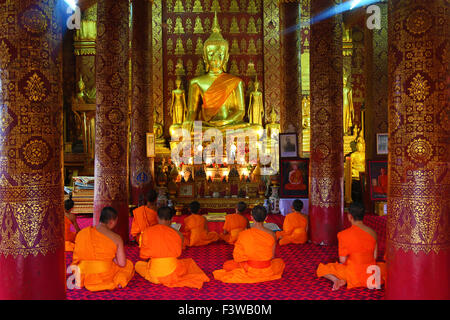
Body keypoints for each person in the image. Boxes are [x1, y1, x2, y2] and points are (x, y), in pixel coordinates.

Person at [135, 207, 210, 289]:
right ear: (172, 219)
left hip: (154, 275)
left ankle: (156, 275)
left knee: (138, 264)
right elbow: (178, 255)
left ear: (157, 217)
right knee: (189, 263)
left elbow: (143, 256)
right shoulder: (179, 235)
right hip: (172, 273)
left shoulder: (147, 232)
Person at [316, 202, 386, 290]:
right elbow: (374, 256)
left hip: (352, 273)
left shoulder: (343, 234)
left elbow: (342, 260)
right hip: (371, 273)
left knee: (323, 268)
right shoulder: (373, 233)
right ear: (363, 215)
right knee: (385, 268)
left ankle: (336, 280)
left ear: (350, 216)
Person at [213, 205, 285, 283]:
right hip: (266, 269)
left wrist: (248, 259)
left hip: (250, 268)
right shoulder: (272, 234)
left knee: (227, 265)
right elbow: (272, 256)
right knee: (280, 263)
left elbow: (237, 257)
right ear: (266, 218)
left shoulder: (244, 234)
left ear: (251, 217)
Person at [71, 207, 135, 292]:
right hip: (104, 274)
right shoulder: (117, 238)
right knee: (129, 265)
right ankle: (119, 282)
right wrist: (113, 259)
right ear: (112, 222)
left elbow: (76, 258)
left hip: (83, 273)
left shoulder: (82, 233)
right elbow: (122, 263)